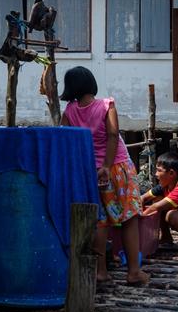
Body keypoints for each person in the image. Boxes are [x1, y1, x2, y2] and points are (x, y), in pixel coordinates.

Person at [60, 66, 150, 286]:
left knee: (100, 221)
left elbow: (64, 138)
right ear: (91, 83)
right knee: (129, 219)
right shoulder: (106, 105)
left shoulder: (69, 111)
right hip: (116, 167)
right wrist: (108, 165)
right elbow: (113, 133)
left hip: (91, 172)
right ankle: (134, 272)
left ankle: (100, 272)